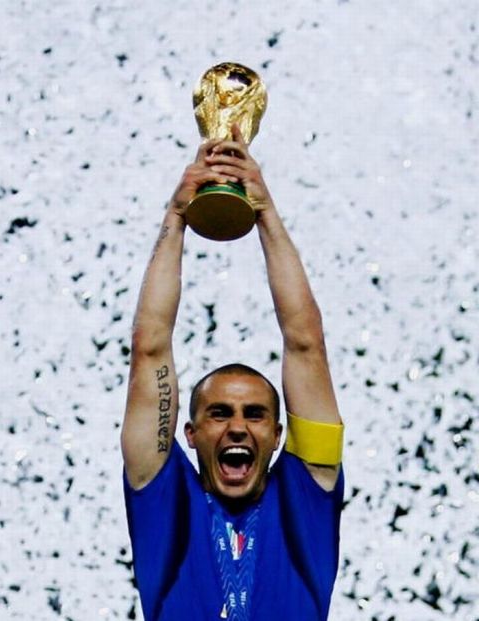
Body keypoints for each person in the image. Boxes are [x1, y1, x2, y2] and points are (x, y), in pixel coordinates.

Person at [121, 125, 345, 621]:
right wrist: (177, 214)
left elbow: (306, 343)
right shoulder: (163, 501)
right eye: (219, 414)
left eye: (255, 414)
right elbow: (150, 348)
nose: (238, 426)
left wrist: (264, 212)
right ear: (191, 434)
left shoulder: (306, 496)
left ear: (279, 434)